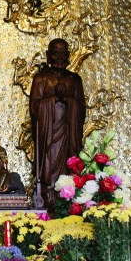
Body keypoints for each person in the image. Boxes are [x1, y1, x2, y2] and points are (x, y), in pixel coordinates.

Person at [29, 38, 86, 209]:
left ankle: (68, 197)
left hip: (68, 135)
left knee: (69, 166)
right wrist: (54, 100)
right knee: (47, 169)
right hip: (48, 136)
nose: (60, 58)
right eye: (56, 54)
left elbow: (82, 108)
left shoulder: (75, 80)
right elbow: (34, 107)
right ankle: (46, 196)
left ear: (69, 56)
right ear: (48, 55)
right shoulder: (41, 79)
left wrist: (68, 101)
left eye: (63, 54)